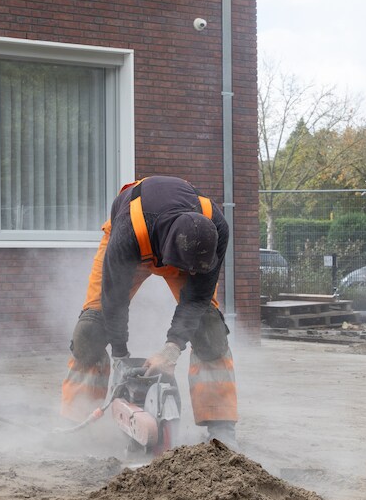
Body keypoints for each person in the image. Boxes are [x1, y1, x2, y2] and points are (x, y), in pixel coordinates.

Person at [61, 175, 239, 447]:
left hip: (179, 245)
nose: (189, 275)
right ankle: (77, 420)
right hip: (135, 236)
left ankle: (221, 428)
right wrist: (120, 354)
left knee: (210, 330)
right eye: (186, 269)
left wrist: (171, 349)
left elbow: (198, 298)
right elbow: (114, 299)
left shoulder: (217, 229)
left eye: (194, 270)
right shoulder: (128, 233)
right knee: (91, 331)